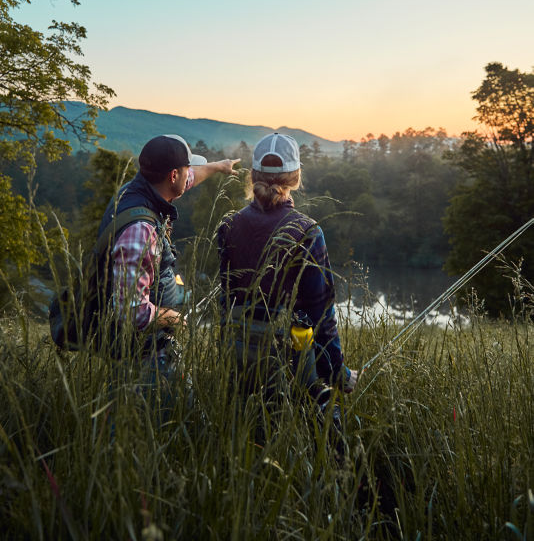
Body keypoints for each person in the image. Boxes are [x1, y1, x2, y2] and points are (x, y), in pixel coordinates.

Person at [217, 132, 358, 405]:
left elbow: (226, 299)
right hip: (294, 369)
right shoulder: (308, 231)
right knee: (325, 436)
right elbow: (321, 314)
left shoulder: (227, 226)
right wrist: (338, 372)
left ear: (253, 175)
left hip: (236, 365)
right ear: (295, 178)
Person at [98, 134, 239, 364]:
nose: (189, 174)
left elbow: (190, 178)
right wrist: (174, 319)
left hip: (145, 344)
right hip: (142, 352)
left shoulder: (137, 189)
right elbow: (131, 312)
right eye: (186, 169)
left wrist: (219, 167)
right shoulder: (141, 231)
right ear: (173, 175)